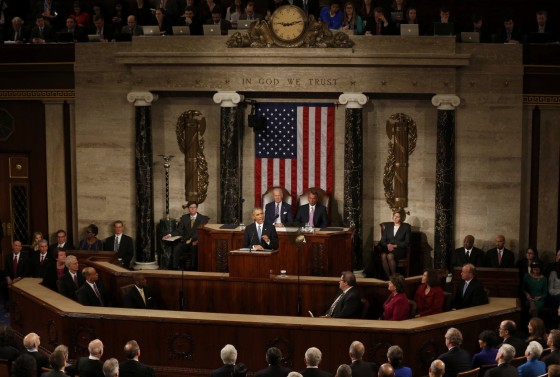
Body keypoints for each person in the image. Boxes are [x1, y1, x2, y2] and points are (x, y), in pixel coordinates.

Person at [166, 201, 209, 270]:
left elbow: (203, 233)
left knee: (194, 248)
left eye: (194, 207)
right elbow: (179, 230)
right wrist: (170, 234)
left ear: (197, 208)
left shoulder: (203, 218)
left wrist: (197, 241)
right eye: (190, 207)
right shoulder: (184, 218)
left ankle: (192, 269)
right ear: (188, 209)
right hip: (185, 241)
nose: (192, 209)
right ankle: (174, 268)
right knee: (177, 248)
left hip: (196, 242)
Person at [379, 210, 411, 279]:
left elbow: (407, 242)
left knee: (390, 256)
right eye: (394, 216)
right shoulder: (388, 227)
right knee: (383, 255)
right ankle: (388, 277)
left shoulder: (406, 227)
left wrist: (395, 245)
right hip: (388, 248)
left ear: (401, 218)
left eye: (398, 216)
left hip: (399, 249)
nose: (395, 218)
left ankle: (394, 276)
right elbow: (382, 241)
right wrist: (388, 245)